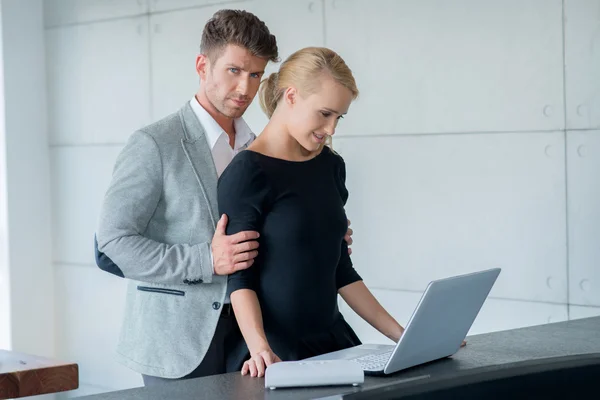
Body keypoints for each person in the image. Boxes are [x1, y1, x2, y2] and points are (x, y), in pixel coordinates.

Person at [95, 9, 354, 385]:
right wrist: (207, 259)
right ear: (203, 66)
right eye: (234, 71)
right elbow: (113, 244)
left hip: (256, 338)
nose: (246, 89)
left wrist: (318, 232)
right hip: (179, 343)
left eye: (255, 75)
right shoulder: (154, 144)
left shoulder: (262, 148)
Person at [217, 47, 405, 378]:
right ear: (291, 96)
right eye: (324, 114)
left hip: (336, 345)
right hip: (275, 355)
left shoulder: (331, 167)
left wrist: (404, 337)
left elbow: (341, 270)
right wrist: (260, 349)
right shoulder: (247, 172)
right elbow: (240, 277)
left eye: (339, 118)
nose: (331, 129)